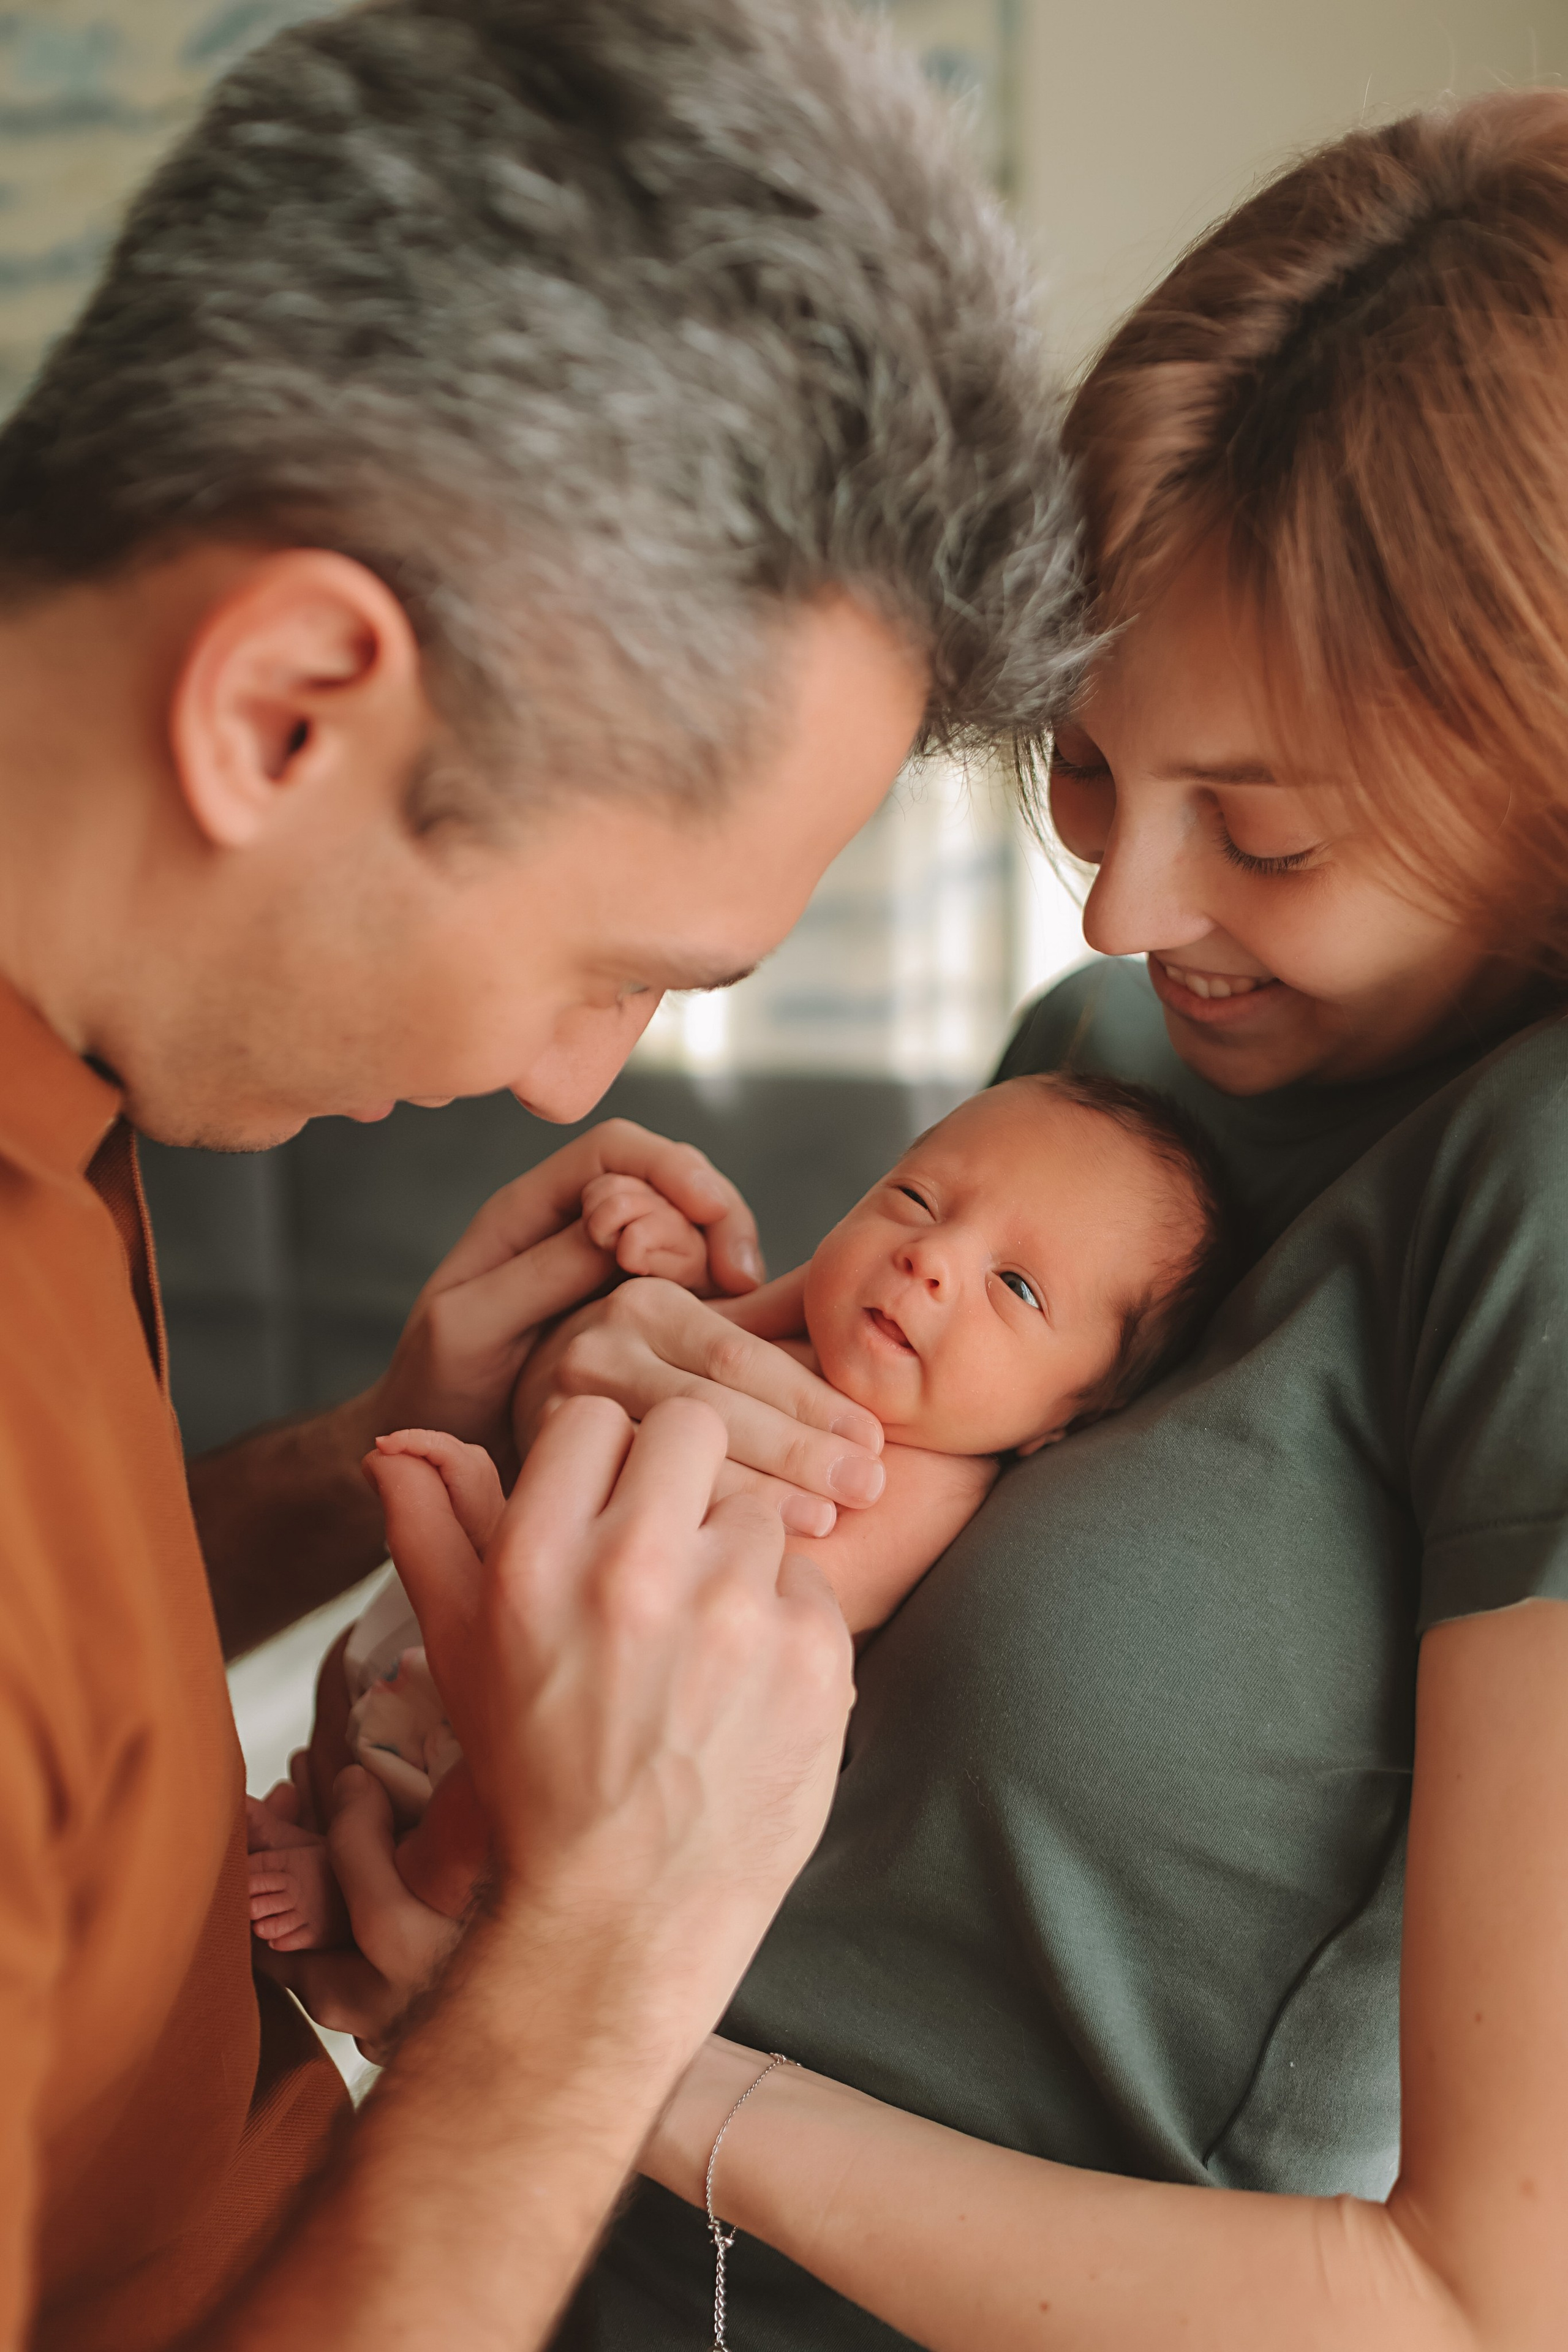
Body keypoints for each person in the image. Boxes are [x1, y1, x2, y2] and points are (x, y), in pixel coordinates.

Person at [0, 1, 1088, 2345]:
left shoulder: (68, 1069)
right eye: (611, 966)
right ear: (285, 706)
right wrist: (619, 1951)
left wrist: (365, 1460)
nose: (566, 1084)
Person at [532, 91, 1568, 2352]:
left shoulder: (1539, 1190)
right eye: (1088, 761)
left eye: (1267, 837)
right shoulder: (1107, 1053)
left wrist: (604, 2071)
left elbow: (1477, 2304)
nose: (1124, 901)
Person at [246, 1072, 1234, 1953]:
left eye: (1016, 1287)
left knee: (473, 1839)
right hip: (439, 1647)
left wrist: (495, 1529)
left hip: (545, 1725)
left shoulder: (929, 1485)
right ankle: (323, 1812)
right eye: (915, 1197)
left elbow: (707, 1614)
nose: (929, 1257)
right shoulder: (813, 1325)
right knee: (337, 1720)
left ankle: (363, 1896)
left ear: (1068, 1421)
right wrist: (661, 1273)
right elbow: (672, 1345)